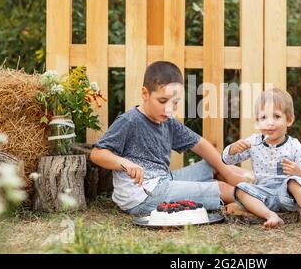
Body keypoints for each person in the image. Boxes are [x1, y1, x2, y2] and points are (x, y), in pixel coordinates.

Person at [90, 61, 246, 215]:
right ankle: (260, 201)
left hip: (164, 180)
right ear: (145, 94)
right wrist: (124, 162)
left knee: (220, 166)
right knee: (222, 189)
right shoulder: (130, 121)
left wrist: (227, 173)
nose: (169, 109)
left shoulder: (167, 121)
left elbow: (200, 145)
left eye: (175, 103)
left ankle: (259, 188)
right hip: (142, 195)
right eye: (162, 101)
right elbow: (97, 154)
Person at [222, 88, 301, 233]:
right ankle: (271, 216)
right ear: (257, 122)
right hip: (263, 195)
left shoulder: (293, 145)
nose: (269, 123)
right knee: (240, 189)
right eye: (263, 118)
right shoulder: (254, 142)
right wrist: (232, 149)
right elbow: (228, 160)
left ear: (289, 120)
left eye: (276, 116)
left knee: (293, 181)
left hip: (287, 195)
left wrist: (300, 173)